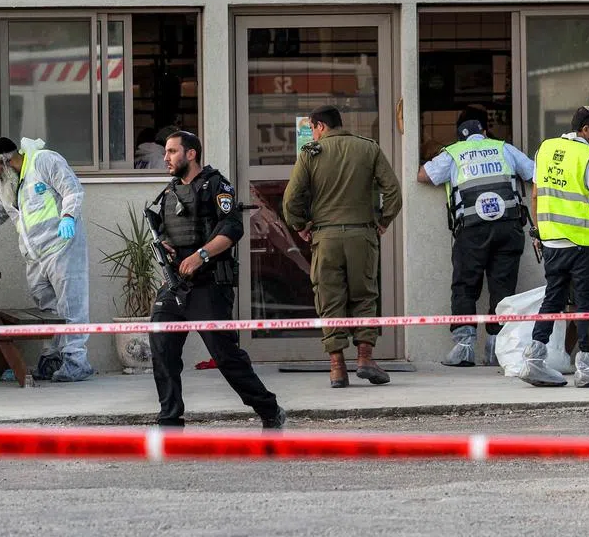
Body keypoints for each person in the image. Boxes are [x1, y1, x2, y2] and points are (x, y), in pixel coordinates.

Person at [148, 130, 285, 428]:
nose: (166, 158)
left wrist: (201, 256)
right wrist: (167, 245)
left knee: (225, 356)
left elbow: (233, 228)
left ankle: (268, 408)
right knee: (162, 350)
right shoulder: (169, 193)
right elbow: (172, 232)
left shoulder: (215, 186)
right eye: (166, 152)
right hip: (175, 286)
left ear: (191, 154)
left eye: (172, 152)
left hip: (209, 283)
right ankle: (170, 419)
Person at [0, 136, 93, 382]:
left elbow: (71, 190)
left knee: (71, 306)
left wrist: (68, 217)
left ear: (7, 160)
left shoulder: (44, 162)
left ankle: (76, 361)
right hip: (34, 256)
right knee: (47, 310)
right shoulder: (8, 186)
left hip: (62, 247)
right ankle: (52, 359)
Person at [282, 105, 402, 389]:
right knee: (364, 296)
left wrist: (300, 226)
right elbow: (393, 191)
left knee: (329, 298)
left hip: (326, 238)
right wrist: (383, 221)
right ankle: (364, 358)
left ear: (320, 126)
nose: (312, 133)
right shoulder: (368, 149)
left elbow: (290, 200)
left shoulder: (311, 153)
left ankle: (337, 368)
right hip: (362, 235)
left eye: (312, 128)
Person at [417, 107, 535, 367]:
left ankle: (464, 348)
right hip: (508, 227)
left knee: (465, 286)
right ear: (484, 131)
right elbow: (533, 173)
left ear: (460, 137)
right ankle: (496, 350)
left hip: (472, 229)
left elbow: (424, 176)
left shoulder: (453, 153)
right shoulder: (503, 148)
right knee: (502, 289)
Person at [520, 104, 589, 388]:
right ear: (585, 129)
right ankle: (586, 366)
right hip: (583, 245)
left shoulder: (545, 149)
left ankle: (535, 360)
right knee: (587, 304)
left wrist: (538, 231)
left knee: (553, 299)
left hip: (552, 242)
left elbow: (535, 196)